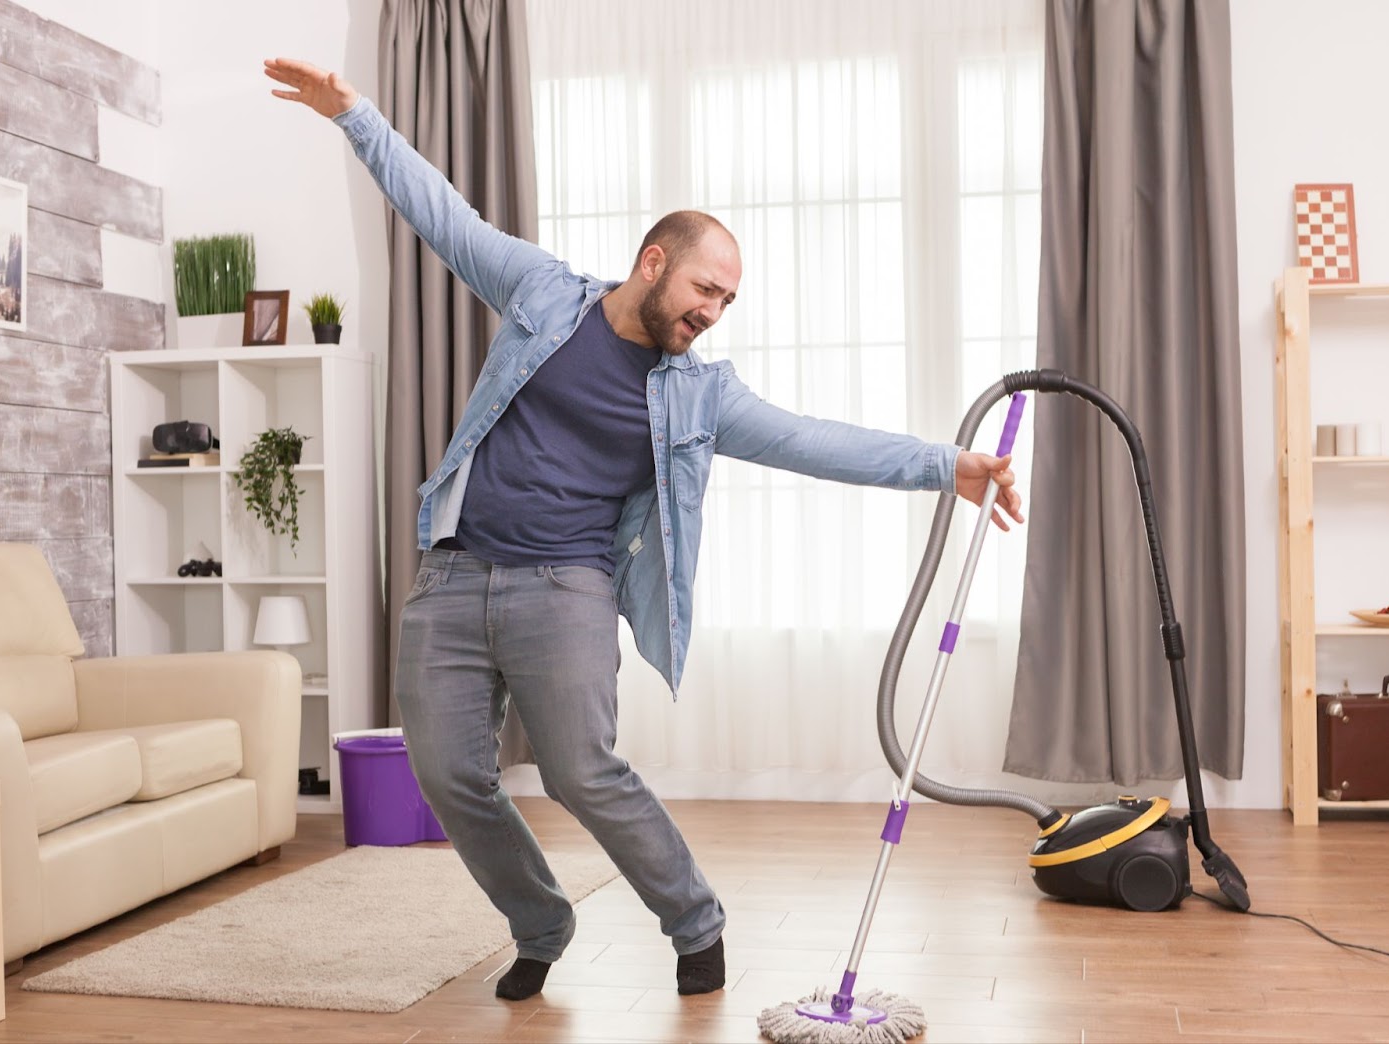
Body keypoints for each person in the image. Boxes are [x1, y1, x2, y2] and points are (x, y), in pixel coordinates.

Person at [264, 56, 1024, 1002]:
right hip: (453, 574)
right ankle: (542, 920)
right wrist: (355, 116)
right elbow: (444, 218)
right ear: (654, 262)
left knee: (584, 771)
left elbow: (809, 440)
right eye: (706, 289)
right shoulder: (543, 295)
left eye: (727, 302)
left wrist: (943, 468)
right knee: (450, 776)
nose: (712, 313)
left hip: (566, 588)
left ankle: (694, 917)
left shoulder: (700, 392)